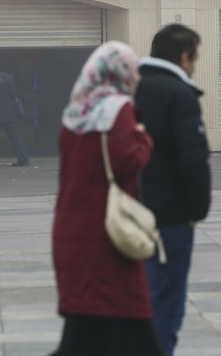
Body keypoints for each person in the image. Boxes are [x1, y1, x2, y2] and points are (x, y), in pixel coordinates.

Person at [49, 41, 163, 356]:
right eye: (134, 69)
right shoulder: (119, 109)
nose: (138, 77)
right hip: (106, 234)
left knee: (87, 326)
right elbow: (127, 159)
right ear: (119, 72)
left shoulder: (74, 112)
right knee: (129, 318)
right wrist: (143, 136)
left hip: (71, 229)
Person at [134, 24, 212, 356]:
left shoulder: (129, 89)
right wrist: (196, 211)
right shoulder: (179, 94)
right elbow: (193, 160)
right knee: (166, 301)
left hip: (129, 213)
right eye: (194, 58)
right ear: (184, 57)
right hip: (170, 215)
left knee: (137, 299)